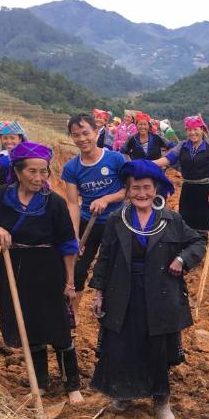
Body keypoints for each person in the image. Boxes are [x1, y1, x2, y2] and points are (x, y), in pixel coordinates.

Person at [89, 160, 207, 419]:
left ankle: (161, 399)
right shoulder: (116, 220)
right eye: (135, 188)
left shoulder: (171, 219)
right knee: (123, 343)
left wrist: (182, 259)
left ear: (156, 189)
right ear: (127, 190)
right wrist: (99, 292)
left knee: (157, 347)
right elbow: (105, 257)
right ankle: (123, 393)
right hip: (123, 291)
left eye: (146, 188)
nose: (141, 193)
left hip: (160, 292)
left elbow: (198, 243)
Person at [0, 141, 84, 403]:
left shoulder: (54, 203)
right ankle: (41, 384)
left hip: (49, 268)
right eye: (32, 171)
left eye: (43, 171)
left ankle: (72, 384)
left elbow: (68, 244)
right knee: (28, 325)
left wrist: (70, 281)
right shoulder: (2, 196)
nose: (39, 178)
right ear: (17, 171)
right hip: (14, 267)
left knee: (58, 325)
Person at [61, 113, 127, 299]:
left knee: (114, 267)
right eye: (76, 135)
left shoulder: (115, 159)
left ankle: (110, 306)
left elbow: (128, 191)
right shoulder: (71, 168)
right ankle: (73, 312)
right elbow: (73, 204)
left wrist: (106, 199)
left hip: (116, 222)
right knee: (78, 268)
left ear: (96, 132)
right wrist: (74, 236)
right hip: (88, 222)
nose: (82, 139)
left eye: (86, 133)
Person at [152, 114, 209, 233]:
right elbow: (167, 159)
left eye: (195, 129)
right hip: (188, 188)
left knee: (203, 225)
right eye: (189, 130)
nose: (192, 133)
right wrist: (147, 163)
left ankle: (202, 243)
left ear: (202, 130)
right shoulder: (182, 146)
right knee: (186, 223)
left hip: (205, 189)